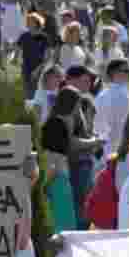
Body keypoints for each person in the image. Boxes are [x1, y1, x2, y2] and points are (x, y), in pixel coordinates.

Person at [44, 87, 105, 232]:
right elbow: (70, 144)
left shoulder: (59, 120)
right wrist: (94, 142)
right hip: (59, 173)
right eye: (77, 104)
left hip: (61, 173)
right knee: (69, 219)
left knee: (69, 217)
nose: (79, 108)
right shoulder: (60, 122)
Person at [94, 58, 129, 164]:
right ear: (114, 73)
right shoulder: (122, 93)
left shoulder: (102, 94)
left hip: (102, 147)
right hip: (117, 148)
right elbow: (121, 124)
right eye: (126, 71)